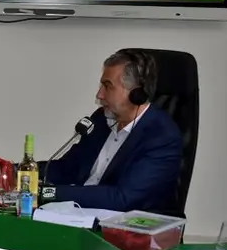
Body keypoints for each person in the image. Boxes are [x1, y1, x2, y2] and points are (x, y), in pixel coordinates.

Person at [43, 49, 182, 213]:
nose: (99, 95)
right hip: (81, 215)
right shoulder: (101, 119)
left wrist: (47, 193)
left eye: (108, 86)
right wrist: (18, 171)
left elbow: (123, 198)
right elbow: (68, 168)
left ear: (136, 94)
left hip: (127, 229)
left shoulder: (162, 136)